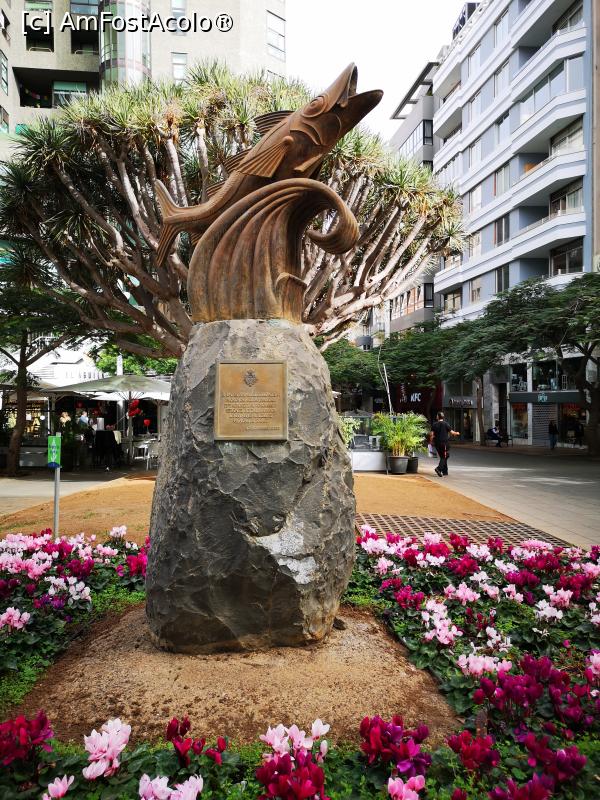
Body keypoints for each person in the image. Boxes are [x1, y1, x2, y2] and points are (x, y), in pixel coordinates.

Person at [432, 412, 459, 477]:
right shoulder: (446, 424)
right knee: (445, 456)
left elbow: (432, 435)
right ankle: (438, 469)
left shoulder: (434, 425)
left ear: (438, 417)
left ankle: (445, 472)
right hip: (444, 443)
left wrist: (430, 442)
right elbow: (452, 432)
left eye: (437, 415)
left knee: (443, 457)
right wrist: (457, 433)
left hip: (437, 444)